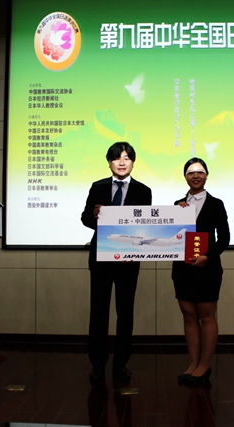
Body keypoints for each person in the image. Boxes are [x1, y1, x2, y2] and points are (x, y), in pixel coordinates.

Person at [81, 142, 152, 382]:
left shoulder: (143, 191)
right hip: (101, 258)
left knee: (125, 313)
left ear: (133, 162)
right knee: (98, 312)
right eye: (116, 158)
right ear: (109, 162)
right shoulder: (98, 186)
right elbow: (84, 218)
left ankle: (121, 363)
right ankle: (97, 364)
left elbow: (146, 224)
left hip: (129, 260)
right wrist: (95, 216)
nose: (121, 162)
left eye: (126, 158)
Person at [172, 158, 230, 385]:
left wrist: (208, 256)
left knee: (206, 316)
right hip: (182, 269)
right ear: (185, 176)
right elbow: (171, 236)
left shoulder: (216, 204)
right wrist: (176, 215)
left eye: (200, 172)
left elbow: (224, 238)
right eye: (190, 172)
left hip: (208, 268)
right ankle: (193, 363)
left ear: (206, 175)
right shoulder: (177, 204)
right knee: (188, 316)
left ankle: (205, 365)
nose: (195, 176)